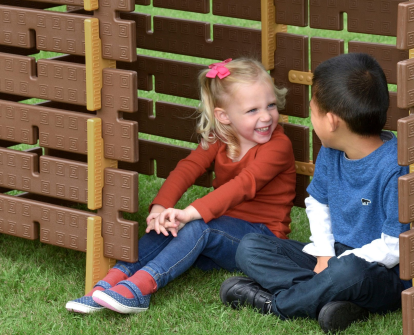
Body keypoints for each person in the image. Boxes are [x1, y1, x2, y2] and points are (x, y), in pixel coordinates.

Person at [66, 57, 295, 315]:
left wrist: (189, 213)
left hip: (260, 241)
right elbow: (188, 168)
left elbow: (242, 186)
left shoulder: (278, 146)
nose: (266, 116)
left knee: (197, 225)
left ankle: (141, 288)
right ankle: (112, 280)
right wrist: (161, 208)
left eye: (271, 105)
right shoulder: (221, 137)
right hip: (221, 231)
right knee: (171, 223)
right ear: (224, 116)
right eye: (253, 110)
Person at [220, 52, 410, 333]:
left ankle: (277, 305)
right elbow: (318, 202)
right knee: (250, 247)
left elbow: (394, 246)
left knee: (348, 274)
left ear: (331, 121)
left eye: (312, 111)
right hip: (333, 256)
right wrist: (323, 256)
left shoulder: (395, 168)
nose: (310, 119)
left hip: (379, 271)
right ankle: (332, 301)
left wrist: (336, 266)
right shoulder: (330, 152)